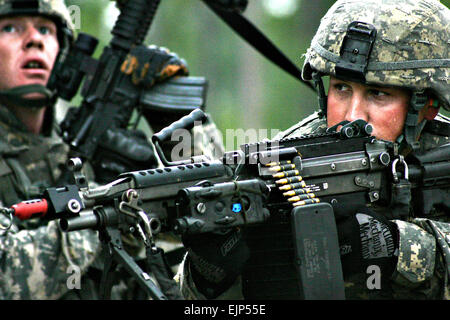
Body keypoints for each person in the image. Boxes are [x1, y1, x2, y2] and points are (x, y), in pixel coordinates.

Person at [176, 0, 450, 300]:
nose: (353, 115)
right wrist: (206, 275)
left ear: (427, 106)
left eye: (378, 94)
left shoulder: (441, 154)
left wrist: (399, 246)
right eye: (341, 88)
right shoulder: (283, 161)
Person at [0, 0, 224, 299]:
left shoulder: (73, 151)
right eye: (11, 28)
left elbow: (220, 213)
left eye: (45, 29)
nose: (34, 40)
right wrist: (112, 211)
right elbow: (8, 276)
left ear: (64, 54)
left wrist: (180, 127)